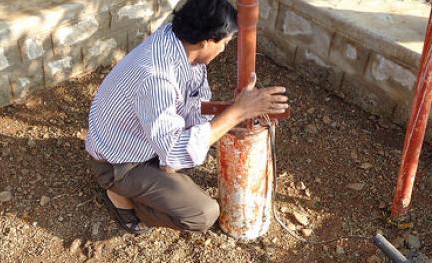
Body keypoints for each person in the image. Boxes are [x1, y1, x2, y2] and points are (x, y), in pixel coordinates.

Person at [86, 0, 288, 234]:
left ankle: (146, 185)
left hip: (142, 142)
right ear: (205, 42)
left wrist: (228, 118)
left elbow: (194, 102)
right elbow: (174, 151)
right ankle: (121, 196)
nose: (223, 50)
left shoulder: (178, 43)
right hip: (119, 163)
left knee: (190, 160)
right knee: (202, 214)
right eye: (224, 43)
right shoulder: (157, 78)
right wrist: (236, 113)